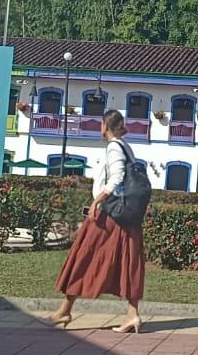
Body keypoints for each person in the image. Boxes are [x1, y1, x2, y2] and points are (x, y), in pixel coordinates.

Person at [50, 108, 145, 333]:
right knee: (127, 263)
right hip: (125, 217)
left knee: (83, 257)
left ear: (105, 126)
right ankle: (132, 315)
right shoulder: (125, 146)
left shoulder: (114, 147)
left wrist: (97, 201)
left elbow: (117, 179)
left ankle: (65, 310)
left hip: (109, 215)